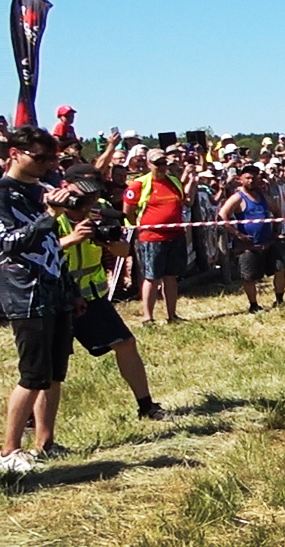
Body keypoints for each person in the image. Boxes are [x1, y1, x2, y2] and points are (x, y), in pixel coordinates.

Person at [50, 170, 168, 421]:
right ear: (65, 186)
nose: (90, 200)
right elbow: (34, 250)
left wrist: (105, 240)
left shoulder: (99, 213)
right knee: (50, 364)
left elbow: (124, 250)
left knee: (125, 343)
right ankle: (31, 421)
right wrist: (71, 239)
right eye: (84, 193)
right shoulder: (50, 215)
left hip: (91, 296)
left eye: (94, 194)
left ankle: (146, 406)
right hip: (55, 299)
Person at [0, 127, 84, 471]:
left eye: (52, 158)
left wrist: (70, 289)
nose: (48, 164)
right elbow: (8, 243)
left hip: (54, 287)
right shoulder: (3, 193)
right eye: (41, 157)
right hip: (25, 290)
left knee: (54, 372)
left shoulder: (44, 190)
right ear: (16, 154)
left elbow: (55, 245)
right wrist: (49, 216)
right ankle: (8, 451)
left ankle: (45, 442)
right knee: (32, 373)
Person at [125, 147, 189, 324]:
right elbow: (128, 211)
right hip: (152, 237)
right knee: (151, 277)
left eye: (164, 163)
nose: (162, 167)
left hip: (175, 235)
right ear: (148, 164)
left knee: (171, 277)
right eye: (157, 163)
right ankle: (148, 317)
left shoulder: (174, 181)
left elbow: (183, 201)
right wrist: (139, 227)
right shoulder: (139, 184)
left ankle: (172, 315)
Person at [218, 164, 285, 311]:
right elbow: (222, 216)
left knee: (280, 269)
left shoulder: (263, 196)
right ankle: (254, 305)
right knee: (249, 278)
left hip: (267, 243)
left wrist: (275, 230)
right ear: (240, 179)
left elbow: (277, 212)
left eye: (254, 178)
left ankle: (280, 300)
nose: (251, 181)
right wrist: (237, 234)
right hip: (249, 246)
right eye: (248, 178)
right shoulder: (237, 197)